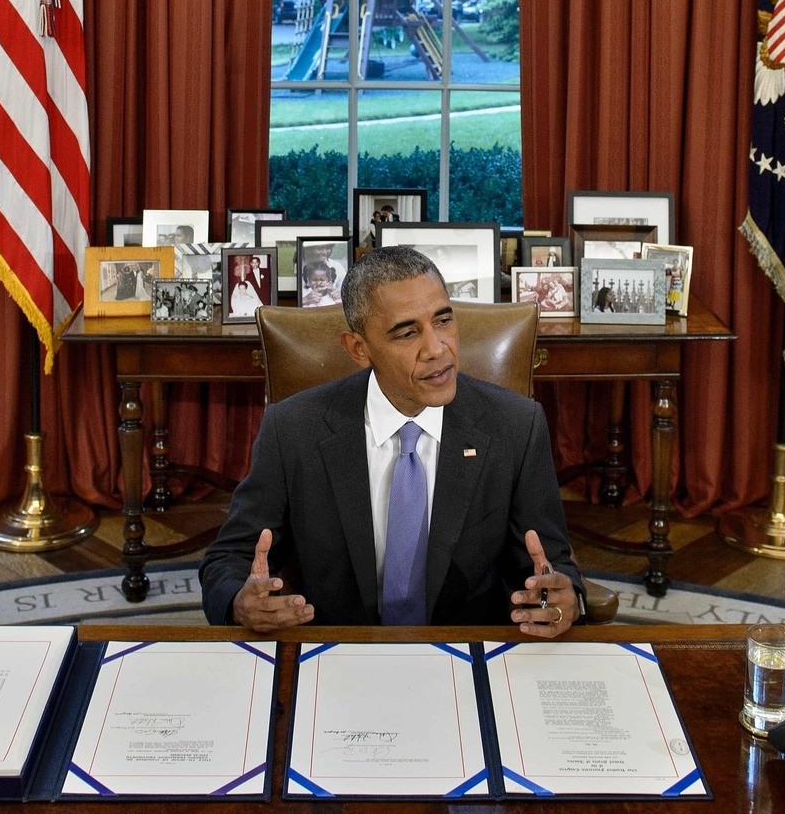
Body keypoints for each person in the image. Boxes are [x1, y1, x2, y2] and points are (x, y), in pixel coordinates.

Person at [201, 247, 585, 634]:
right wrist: (239, 600)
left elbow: (552, 567)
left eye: (444, 320)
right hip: (338, 653)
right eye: (407, 332)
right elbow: (230, 559)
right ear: (358, 349)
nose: (437, 349)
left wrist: (563, 599)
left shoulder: (515, 426)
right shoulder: (294, 429)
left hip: (465, 651)